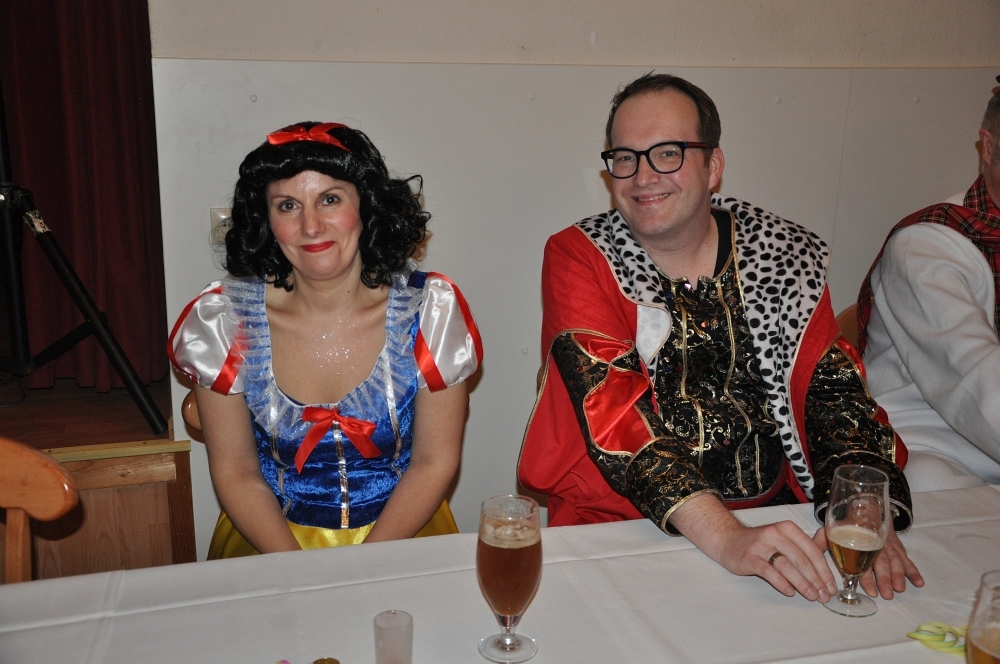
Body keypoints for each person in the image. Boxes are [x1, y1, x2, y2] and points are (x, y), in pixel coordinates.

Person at [518, 73, 923, 602]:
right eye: (625, 157)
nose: (642, 177)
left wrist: (861, 506)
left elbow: (833, 393)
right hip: (625, 524)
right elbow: (615, 414)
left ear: (713, 166)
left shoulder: (783, 254)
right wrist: (727, 537)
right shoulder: (581, 256)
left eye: (668, 153)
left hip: (781, 520)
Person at [169, 122, 482, 558]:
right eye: (288, 205)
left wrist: (364, 567)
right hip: (270, 544)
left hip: (403, 538)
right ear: (267, 221)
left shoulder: (429, 311)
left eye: (330, 199)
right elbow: (237, 473)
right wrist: (304, 576)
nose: (311, 226)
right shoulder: (223, 321)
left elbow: (434, 462)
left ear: (366, 207)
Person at [857, 78, 1000, 491]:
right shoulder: (926, 244)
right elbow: (974, 376)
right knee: (926, 483)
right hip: (932, 446)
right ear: (989, 147)